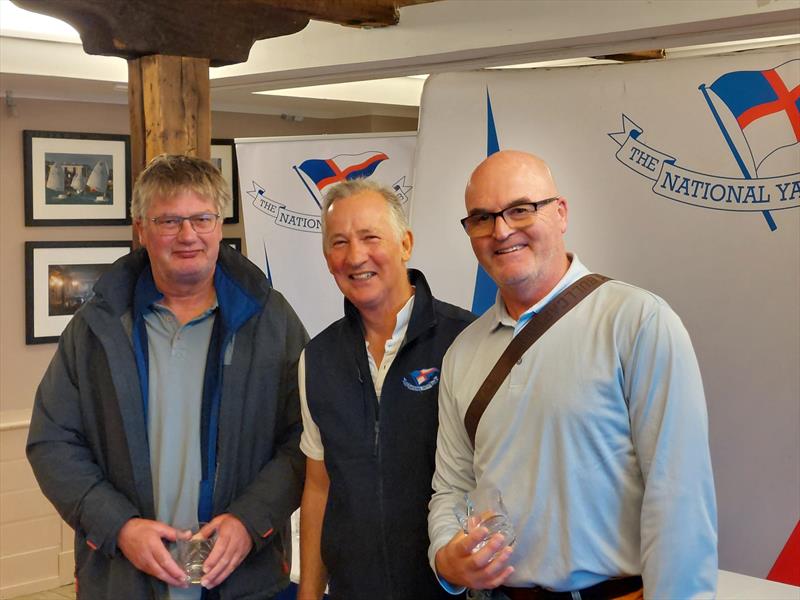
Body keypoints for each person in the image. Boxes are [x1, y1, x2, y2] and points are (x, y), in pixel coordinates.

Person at [428, 150, 718, 599]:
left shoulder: (637, 322)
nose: (501, 231)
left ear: (560, 213)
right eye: (482, 218)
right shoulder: (463, 353)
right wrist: (445, 555)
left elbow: (679, 497)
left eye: (521, 209)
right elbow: (452, 486)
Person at [27, 154, 308, 599]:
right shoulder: (96, 327)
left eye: (202, 218)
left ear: (219, 224)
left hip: (243, 579)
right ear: (141, 229)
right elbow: (52, 442)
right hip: (125, 580)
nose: (188, 235)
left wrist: (251, 520)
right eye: (169, 221)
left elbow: (304, 438)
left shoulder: (271, 321)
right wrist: (118, 527)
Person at [298, 179, 475, 600]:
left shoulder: (466, 341)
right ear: (327, 260)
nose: (355, 256)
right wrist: (307, 594)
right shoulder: (317, 357)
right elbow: (319, 486)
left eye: (370, 237)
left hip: (450, 591)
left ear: (405, 244)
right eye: (339, 242)